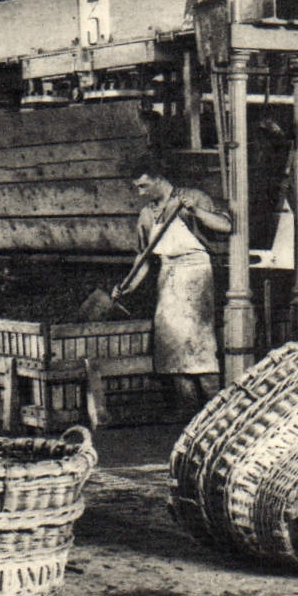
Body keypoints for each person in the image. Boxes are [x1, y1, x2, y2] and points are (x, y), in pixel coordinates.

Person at [117, 152, 232, 417]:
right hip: (167, 278)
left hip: (196, 276)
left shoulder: (191, 197)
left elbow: (226, 226)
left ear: (159, 179)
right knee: (171, 349)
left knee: (199, 348)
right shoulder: (147, 214)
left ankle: (218, 414)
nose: (140, 193)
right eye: (137, 188)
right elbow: (144, 258)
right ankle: (190, 414)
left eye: (144, 186)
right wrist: (128, 286)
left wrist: (197, 210)